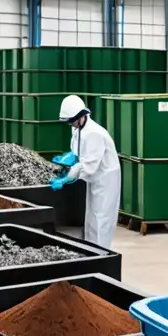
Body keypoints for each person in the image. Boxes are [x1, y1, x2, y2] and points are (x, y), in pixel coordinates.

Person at [50, 95, 121, 250]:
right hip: (94, 180)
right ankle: (90, 249)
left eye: (72, 121)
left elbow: (89, 166)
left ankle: (102, 253)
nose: (71, 124)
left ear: (81, 116)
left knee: (101, 220)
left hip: (105, 180)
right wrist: (65, 163)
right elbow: (77, 155)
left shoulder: (94, 133)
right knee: (91, 217)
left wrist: (66, 178)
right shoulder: (78, 128)